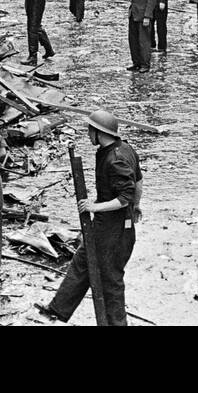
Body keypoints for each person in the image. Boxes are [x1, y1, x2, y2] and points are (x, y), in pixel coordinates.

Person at [35, 110, 141, 326]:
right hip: (107, 224)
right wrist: (137, 206)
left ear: (98, 132)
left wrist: (95, 207)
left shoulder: (116, 159)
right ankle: (58, 308)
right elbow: (138, 180)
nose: (88, 134)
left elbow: (124, 198)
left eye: (90, 130)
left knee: (110, 279)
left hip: (115, 229)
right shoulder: (124, 148)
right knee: (82, 261)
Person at [127, 0, 156, 72]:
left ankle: (145, 64)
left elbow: (151, 0)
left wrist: (147, 16)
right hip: (134, 14)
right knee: (133, 40)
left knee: (143, 41)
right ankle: (136, 62)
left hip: (142, 15)